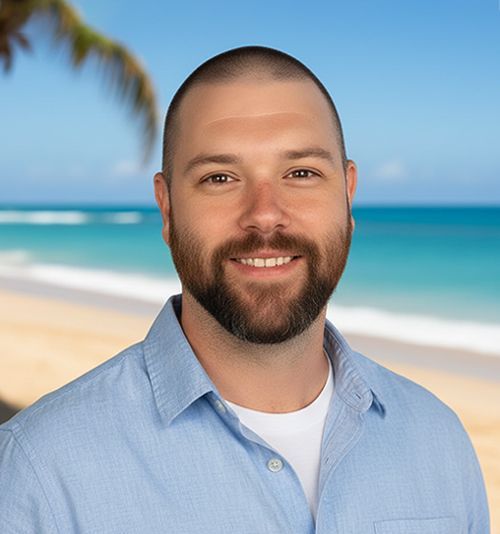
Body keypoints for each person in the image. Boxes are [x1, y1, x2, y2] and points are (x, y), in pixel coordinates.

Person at [0, 45, 490, 533]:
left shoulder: (438, 442)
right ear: (167, 209)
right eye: (220, 177)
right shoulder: (40, 472)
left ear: (347, 193)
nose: (264, 214)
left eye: (301, 173)